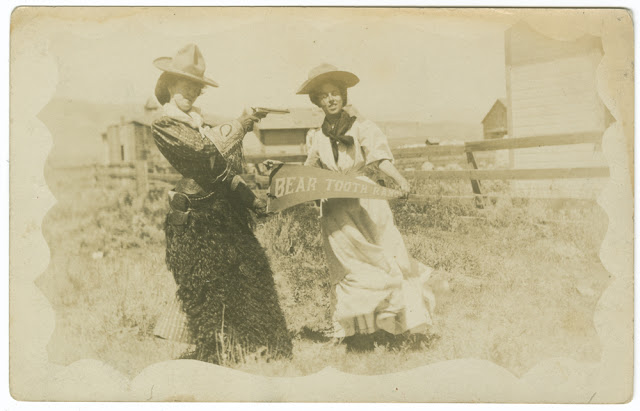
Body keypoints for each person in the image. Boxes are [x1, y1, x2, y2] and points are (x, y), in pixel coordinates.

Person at [150, 44, 292, 363]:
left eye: (196, 86)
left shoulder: (200, 123)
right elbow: (204, 155)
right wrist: (240, 124)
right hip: (195, 223)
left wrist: (251, 199)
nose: (192, 91)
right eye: (185, 84)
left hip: (222, 215)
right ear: (168, 85)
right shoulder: (165, 125)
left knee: (253, 275)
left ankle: (263, 351)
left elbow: (223, 172)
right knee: (206, 293)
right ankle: (216, 356)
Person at [297, 64, 436, 351]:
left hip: (367, 202)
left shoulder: (363, 127)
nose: (330, 99)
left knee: (387, 259)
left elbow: (379, 160)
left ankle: (396, 328)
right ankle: (360, 334)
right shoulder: (318, 137)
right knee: (351, 269)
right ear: (317, 102)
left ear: (343, 96)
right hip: (336, 209)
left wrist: (400, 181)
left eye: (335, 93)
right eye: (323, 96)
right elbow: (309, 169)